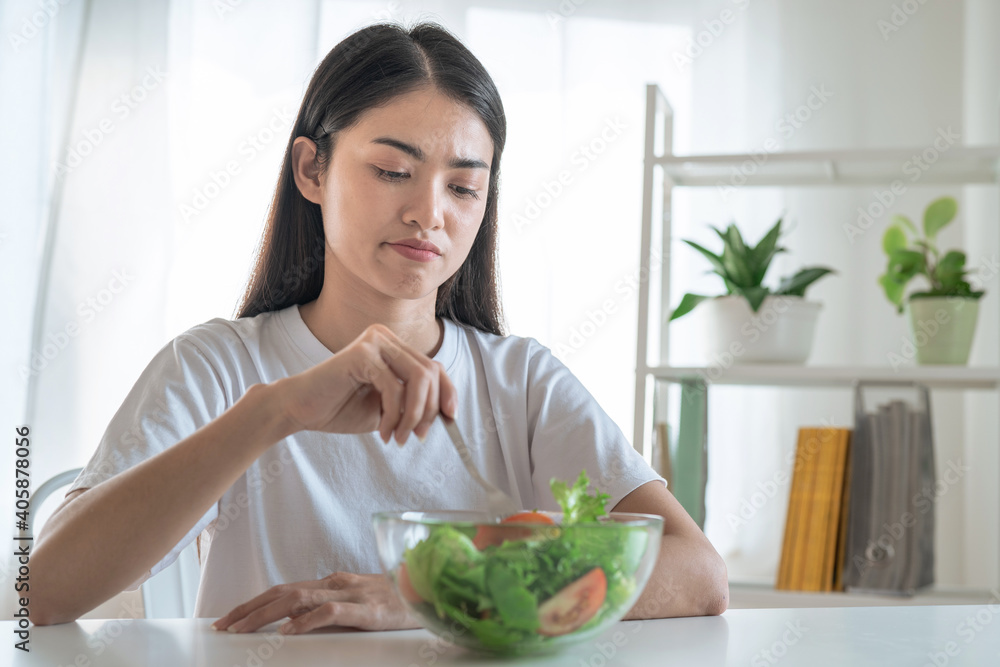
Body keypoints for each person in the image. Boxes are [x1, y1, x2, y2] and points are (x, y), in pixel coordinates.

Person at [31, 21, 727, 632]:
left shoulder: (521, 381)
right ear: (312, 168)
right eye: (394, 170)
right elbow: (47, 592)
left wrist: (429, 596)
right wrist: (277, 410)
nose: (430, 213)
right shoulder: (215, 365)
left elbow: (698, 573)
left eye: (462, 186)